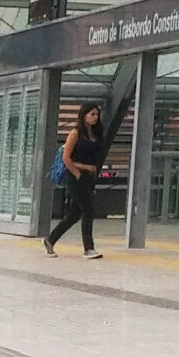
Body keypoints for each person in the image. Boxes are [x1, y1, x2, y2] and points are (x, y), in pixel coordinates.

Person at [43, 103, 108, 258]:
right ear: (84, 115)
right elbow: (66, 158)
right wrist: (78, 172)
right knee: (88, 209)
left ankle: (50, 240)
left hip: (89, 177)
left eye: (97, 114)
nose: (95, 117)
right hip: (75, 176)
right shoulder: (75, 133)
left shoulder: (96, 134)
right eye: (92, 114)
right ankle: (88, 248)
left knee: (74, 214)